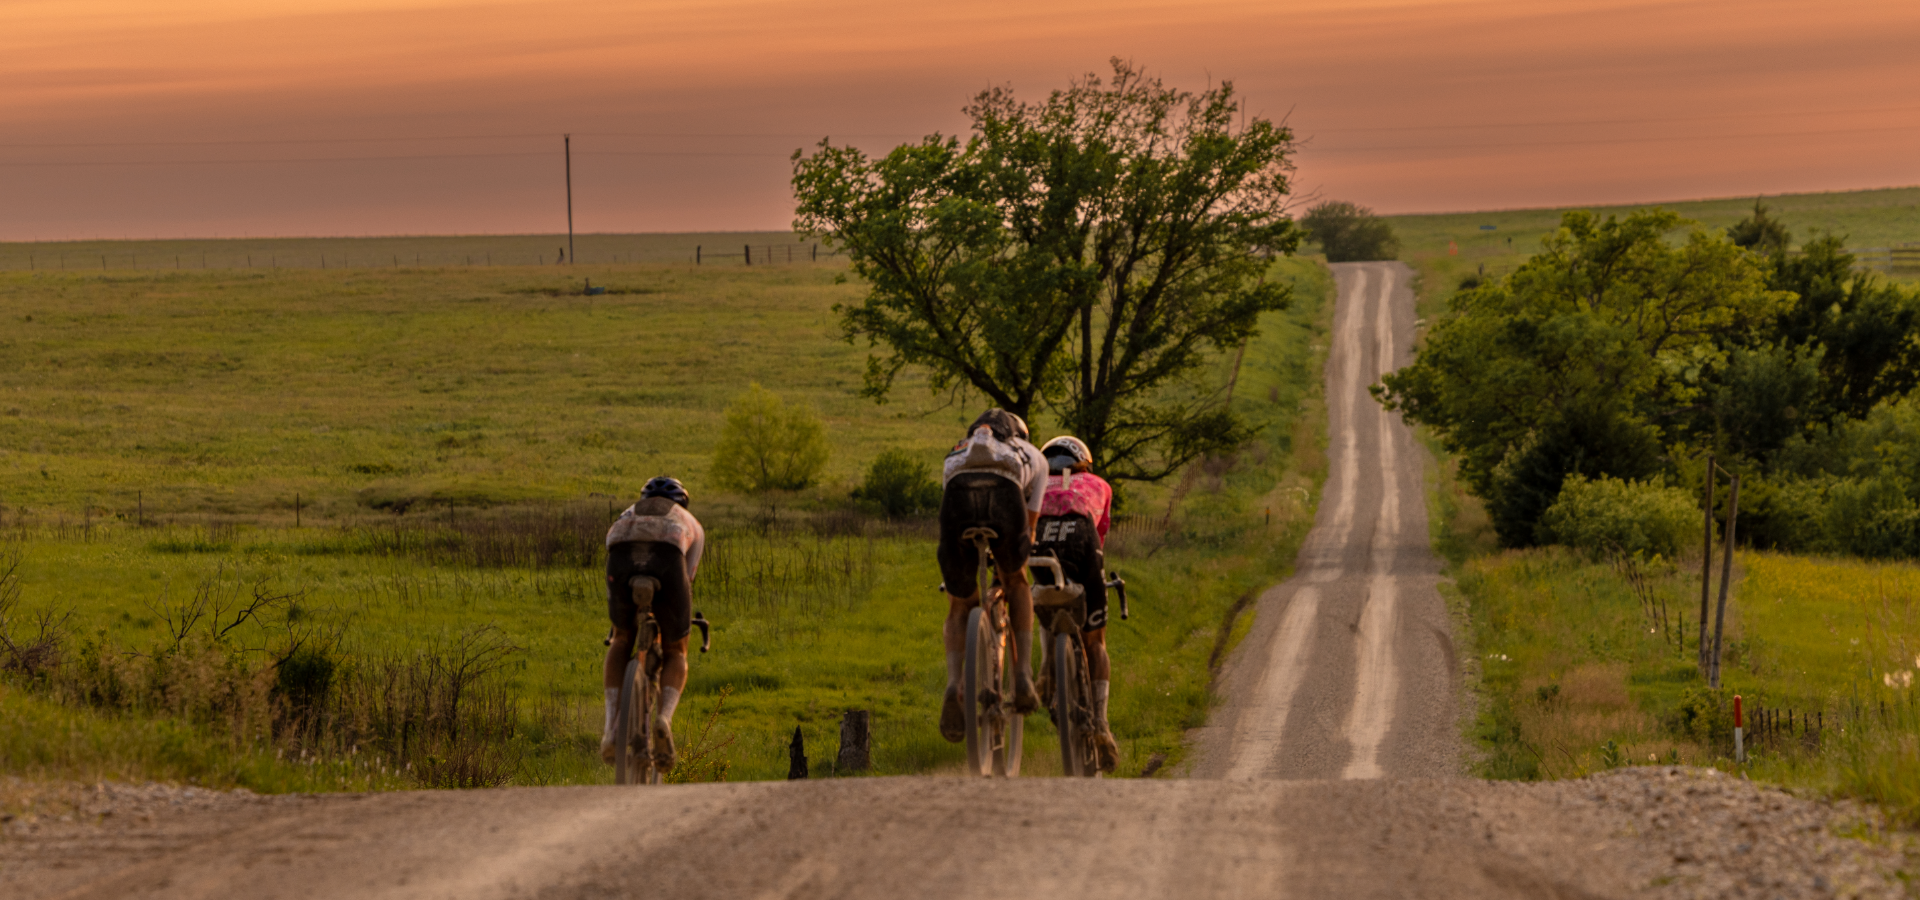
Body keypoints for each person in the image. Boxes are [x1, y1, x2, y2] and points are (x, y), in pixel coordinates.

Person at [937, 408, 1048, 742]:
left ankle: (955, 683)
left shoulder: (957, 450)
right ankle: (1025, 673)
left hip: (958, 492)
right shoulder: (1032, 456)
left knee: (960, 602)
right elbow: (1029, 528)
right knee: (1017, 581)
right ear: (1017, 434)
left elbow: (949, 513)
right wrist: (1007, 568)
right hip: (1005, 493)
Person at [601, 475, 705, 770]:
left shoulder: (628, 513)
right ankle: (663, 719)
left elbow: (611, 546)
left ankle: (611, 730)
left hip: (620, 554)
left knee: (621, 639)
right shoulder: (691, 522)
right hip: (668, 559)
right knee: (676, 650)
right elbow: (687, 578)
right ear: (682, 502)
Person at [1031, 435, 1119, 772]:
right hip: (1083, 535)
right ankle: (1101, 723)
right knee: (1096, 641)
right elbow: (1101, 536)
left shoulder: (1035, 485)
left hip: (1040, 541)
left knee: (1046, 601)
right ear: (1082, 462)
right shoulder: (1099, 484)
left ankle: (1049, 673)